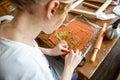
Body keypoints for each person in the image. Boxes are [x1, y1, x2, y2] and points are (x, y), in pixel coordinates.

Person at [0, 0, 83, 80]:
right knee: (76, 73)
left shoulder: (6, 20)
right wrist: (69, 68)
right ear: (52, 9)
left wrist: (50, 51)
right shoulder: (34, 69)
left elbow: (20, 49)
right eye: (66, 12)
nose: (64, 17)